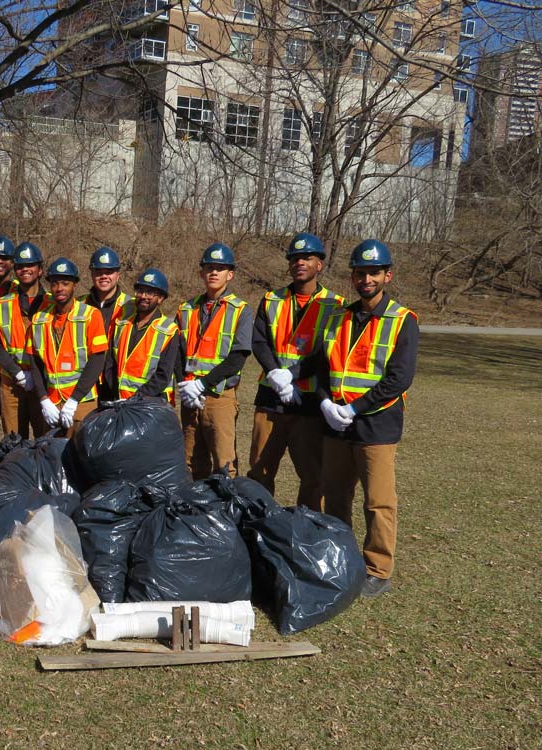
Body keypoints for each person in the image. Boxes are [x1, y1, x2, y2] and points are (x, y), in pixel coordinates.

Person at [315, 239, 418, 598]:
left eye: (374, 272)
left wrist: (354, 408)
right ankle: (341, 560)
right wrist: (326, 403)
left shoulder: (402, 321)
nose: (366, 279)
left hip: (376, 426)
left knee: (378, 502)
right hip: (336, 425)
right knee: (334, 497)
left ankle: (377, 570)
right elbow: (322, 367)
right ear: (353, 277)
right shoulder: (338, 318)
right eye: (360, 273)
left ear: (388, 275)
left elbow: (399, 379)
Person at [247, 232, 344, 511]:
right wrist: (276, 375)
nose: (300, 263)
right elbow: (259, 341)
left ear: (319, 265)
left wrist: (293, 375)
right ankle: (260, 524)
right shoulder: (271, 299)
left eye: (307, 258)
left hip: (310, 404)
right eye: (295, 258)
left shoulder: (336, 305)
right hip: (271, 399)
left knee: (313, 476)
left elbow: (328, 352)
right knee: (260, 472)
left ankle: (307, 527)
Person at [175, 243, 252, 479]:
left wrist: (202, 384)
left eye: (220, 268)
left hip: (219, 396)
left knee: (224, 463)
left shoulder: (240, 310)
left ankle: (226, 503)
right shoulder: (186, 309)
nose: (214, 272)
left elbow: (238, 358)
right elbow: (176, 352)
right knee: (190, 462)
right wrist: (185, 385)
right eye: (209, 267)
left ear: (230, 274)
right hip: (190, 397)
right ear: (201, 272)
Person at [27, 257, 108, 438]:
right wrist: (43, 399)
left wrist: (74, 400)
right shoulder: (39, 320)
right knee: (51, 452)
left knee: (81, 451)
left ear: (74, 285)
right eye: (55, 284)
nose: (60, 288)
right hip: (52, 403)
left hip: (82, 402)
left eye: (65, 283)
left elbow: (97, 361)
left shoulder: (91, 315)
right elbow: (34, 363)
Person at [0, 241, 51, 438]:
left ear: (40, 270)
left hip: (42, 383)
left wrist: (36, 376)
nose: (25, 270)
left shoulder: (51, 303)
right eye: (20, 266)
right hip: (12, 383)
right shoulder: (3, 303)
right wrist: (17, 373)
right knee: (13, 439)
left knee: (44, 438)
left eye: (30, 265)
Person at [103, 268, 179, 402]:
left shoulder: (168, 330)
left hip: (150, 404)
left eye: (150, 292)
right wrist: (115, 393)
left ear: (160, 298)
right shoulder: (122, 323)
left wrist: (135, 399)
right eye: (140, 291)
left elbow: (163, 375)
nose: (143, 296)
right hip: (119, 400)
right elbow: (110, 363)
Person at [81, 246, 134, 331]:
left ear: (118, 275)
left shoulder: (131, 305)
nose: (104, 276)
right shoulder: (78, 304)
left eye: (109, 272)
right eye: (98, 272)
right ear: (92, 274)